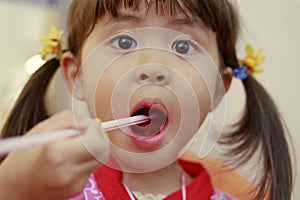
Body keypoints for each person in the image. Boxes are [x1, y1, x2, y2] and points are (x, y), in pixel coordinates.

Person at [0, 0, 293, 199]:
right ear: (77, 76)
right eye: (124, 42)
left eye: (182, 45)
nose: (153, 67)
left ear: (219, 88)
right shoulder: (46, 190)